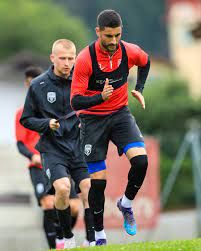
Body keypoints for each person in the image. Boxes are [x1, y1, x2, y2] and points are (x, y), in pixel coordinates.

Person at [71, 9, 150, 246]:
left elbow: (145, 62)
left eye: (117, 35)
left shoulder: (129, 50)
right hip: (92, 120)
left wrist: (140, 88)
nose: (113, 41)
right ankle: (100, 236)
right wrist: (99, 98)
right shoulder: (85, 59)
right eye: (108, 36)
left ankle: (126, 204)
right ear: (98, 33)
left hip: (119, 115)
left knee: (141, 161)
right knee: (98, 181)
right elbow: (75, 101)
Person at [20, 40, 95, 249]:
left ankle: (92, 239)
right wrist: (46, 124)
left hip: (78, 147)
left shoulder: (81, 82)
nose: (67, 63)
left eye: (71, 58)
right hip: (53, 149)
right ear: (52, 58)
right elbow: (26, 119)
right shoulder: (38, 85)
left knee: (88, 188)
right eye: (63, 58)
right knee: (62, 189)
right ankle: (66, 237)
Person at [15, 66, 81, 250]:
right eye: (29, 83)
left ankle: (63, 233)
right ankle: (56, 245)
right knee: (48, 203)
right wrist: (32, 156)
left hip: (59, 158)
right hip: (38, 165)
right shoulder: (22, 113)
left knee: (74, 206)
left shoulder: (57, 105)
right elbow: (20, 143)